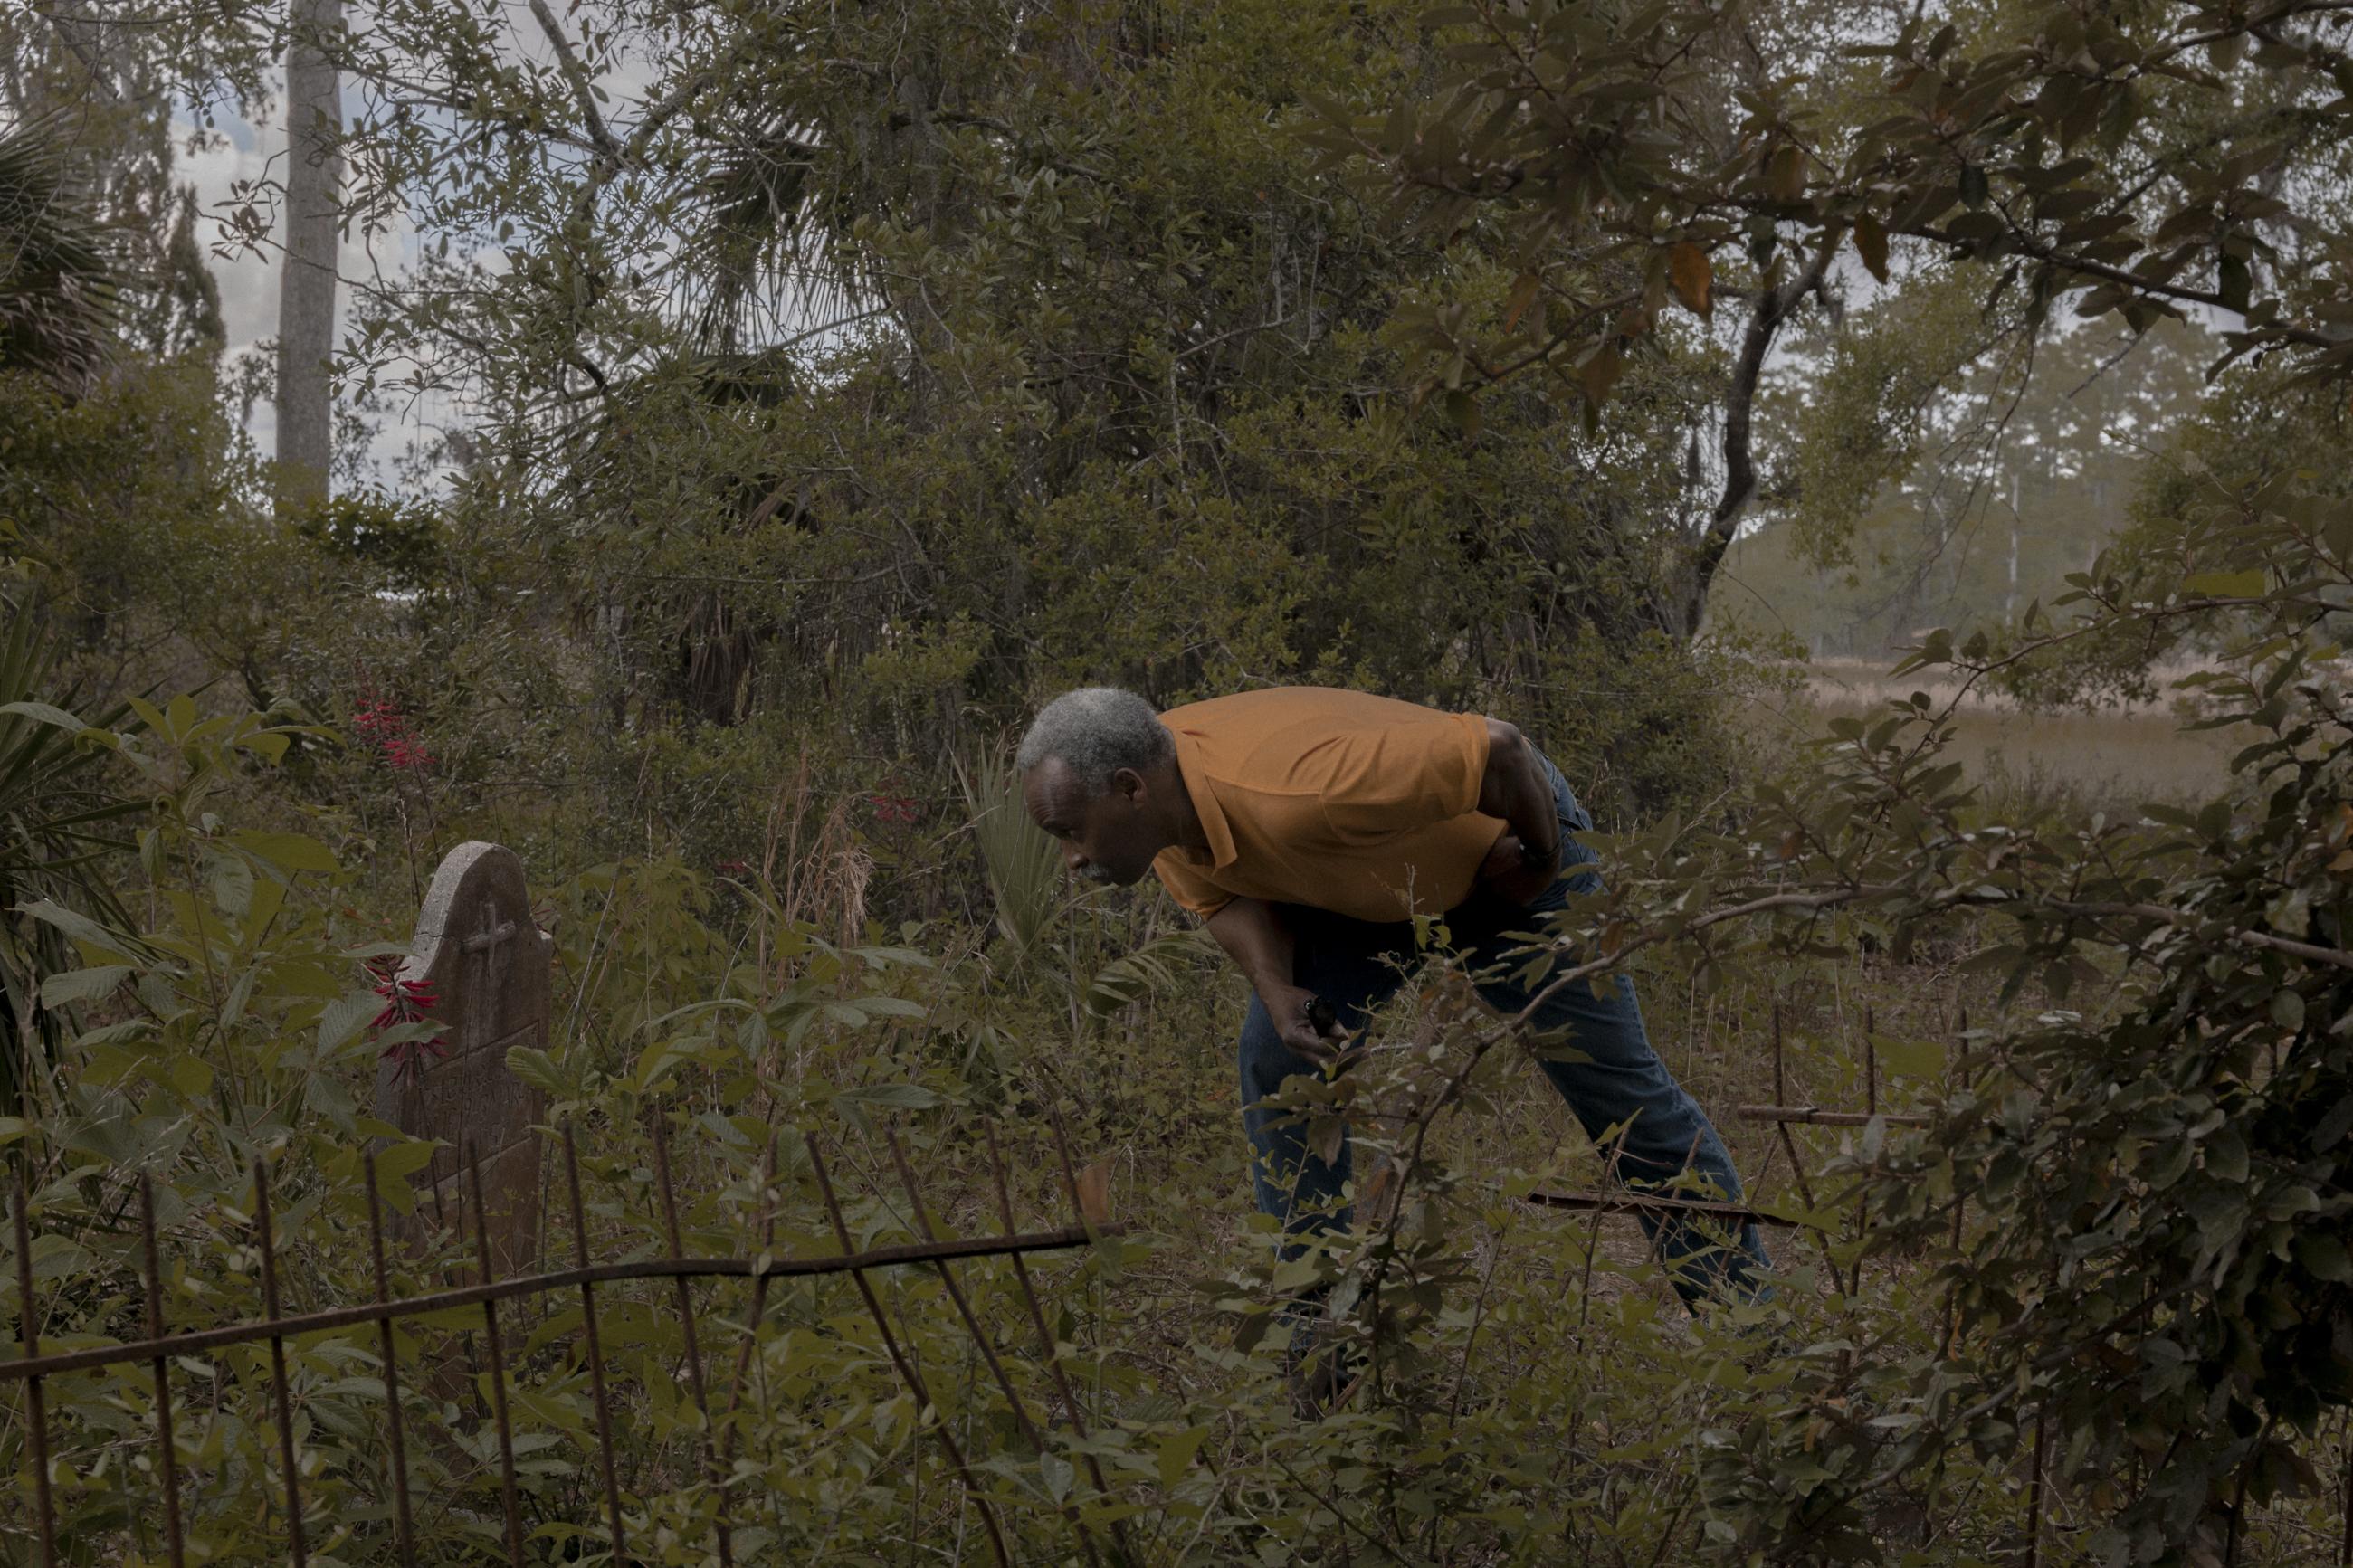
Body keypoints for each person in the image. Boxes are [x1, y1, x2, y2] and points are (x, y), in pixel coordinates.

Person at [1015, 685, 1769, 1319]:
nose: (1072, 857)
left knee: (1620, 1095)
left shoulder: (1303, 787)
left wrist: (1542, 860)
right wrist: (1278, 991)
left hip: (1504, 855)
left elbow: (1502, 750)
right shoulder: (1164, 797)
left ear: (1130, 789)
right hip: (1371, 887)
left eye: (1071, 832)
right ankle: (1321, 1345)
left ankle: (1748, 1326)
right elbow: (1222, 896)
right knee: (1280, 1061)